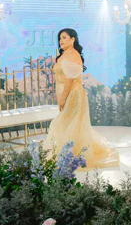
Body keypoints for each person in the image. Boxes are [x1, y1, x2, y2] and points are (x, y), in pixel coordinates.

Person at [43, 28, 119, 169]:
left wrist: (63, 98)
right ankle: (69, 154)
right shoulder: (65, 54)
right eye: (60, 38)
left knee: (65, 123)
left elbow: (69, 80)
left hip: (72, 94)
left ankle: (69, 155)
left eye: (64, 37)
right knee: (70, 124)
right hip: (66, 93)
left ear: (73, 39)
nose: (61, 40)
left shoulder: (72, 55)